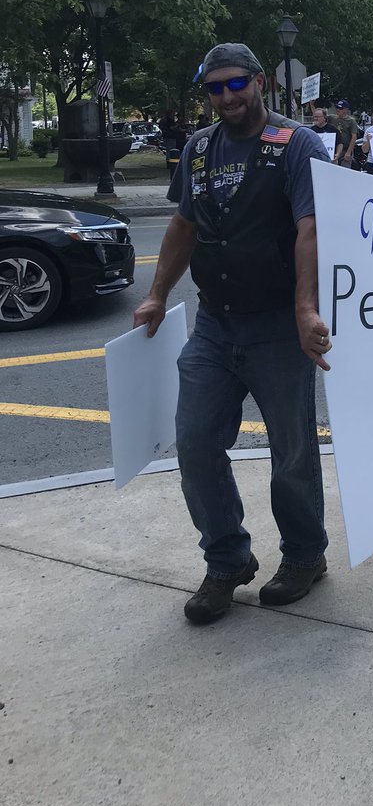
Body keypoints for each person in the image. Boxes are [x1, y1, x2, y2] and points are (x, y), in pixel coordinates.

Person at [132, 42, 332, 626]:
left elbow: (309, 229)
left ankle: (304, 557)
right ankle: (226, 561)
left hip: (276, 325)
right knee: (194, 442)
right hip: (215, 325)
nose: (226, 97)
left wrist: (304, 308)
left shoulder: (297, 145)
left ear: (260, 82)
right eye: (215, 88)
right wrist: (156, 294)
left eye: (235, 84)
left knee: (291, 450)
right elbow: (183, 224)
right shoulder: (198, 150)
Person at [334, 99, 359, 168]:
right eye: (337, 108)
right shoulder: (333, 118)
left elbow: (354, 137)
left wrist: (348, 152)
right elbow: (320, 116)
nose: (338, 110)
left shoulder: (351, 121)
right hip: (335, 149)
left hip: (345, 149)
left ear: (346, 110)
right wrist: (312, 105)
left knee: (345, 170)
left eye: (340, 108)